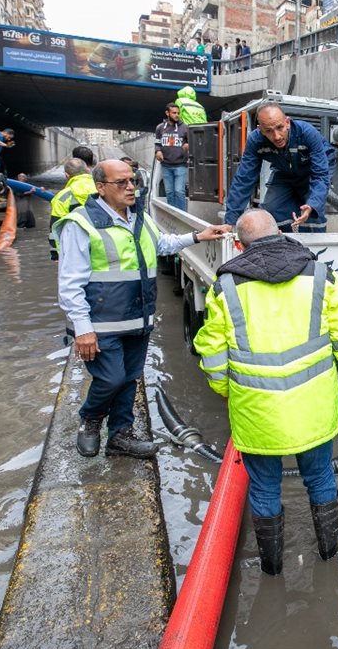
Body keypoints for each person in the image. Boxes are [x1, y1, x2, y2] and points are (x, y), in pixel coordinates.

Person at [194, 208, 338, 573]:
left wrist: (225, 390)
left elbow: (212, 353)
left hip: (257, 413)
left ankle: (272, 570)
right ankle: (329, 557)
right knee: (320, 478)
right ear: (281, 234)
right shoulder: (320, 275)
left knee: (264, 488)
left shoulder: (225, 287)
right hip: (313, 410)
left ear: (240, 246)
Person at [56, 159, 229, 458]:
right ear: (100, 187)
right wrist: (83, 329)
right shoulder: (81, 224)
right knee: (110, 378)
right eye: (121, 182)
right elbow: (70, 284)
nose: (130, 187)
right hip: (101, 324)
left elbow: (160, 245)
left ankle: (120, 435)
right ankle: (91, 419)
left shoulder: (139, 217)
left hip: (137, 318)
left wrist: (197, 236)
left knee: (129, 379)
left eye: (133, 181)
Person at [223, 102, 334, 232]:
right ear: (260, 129)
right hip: (285, 169)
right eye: (268, 131)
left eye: (280, 127)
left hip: (315, 170)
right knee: (271, 208)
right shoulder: (255, 141)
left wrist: (312, 205)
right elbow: (244, 180)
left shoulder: (307, 133)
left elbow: (320, 175)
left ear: (287, 122)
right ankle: (281, 240)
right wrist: (230, 222)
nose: (277, 136)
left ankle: (314, 240)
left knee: (313, 211)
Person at [49, 157, 97, 259]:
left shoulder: (61, 197)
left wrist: (56, 254)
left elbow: (56, 228)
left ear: (67, 175)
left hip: (76, 251)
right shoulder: (102, 188)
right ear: (87, 170)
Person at [155, 103, 189, 210]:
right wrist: (157, 151)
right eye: (174, 113)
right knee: (169, 192)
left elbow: (192, 142)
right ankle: (173, 214)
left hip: (180, 165)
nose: (177, 115)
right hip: (166, 165)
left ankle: (182, 215)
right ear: (167, 113)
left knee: (179, 191)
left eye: (178, 113)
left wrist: (188, 145)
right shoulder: (160, 128)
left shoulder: (185, 128)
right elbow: (157, 143)